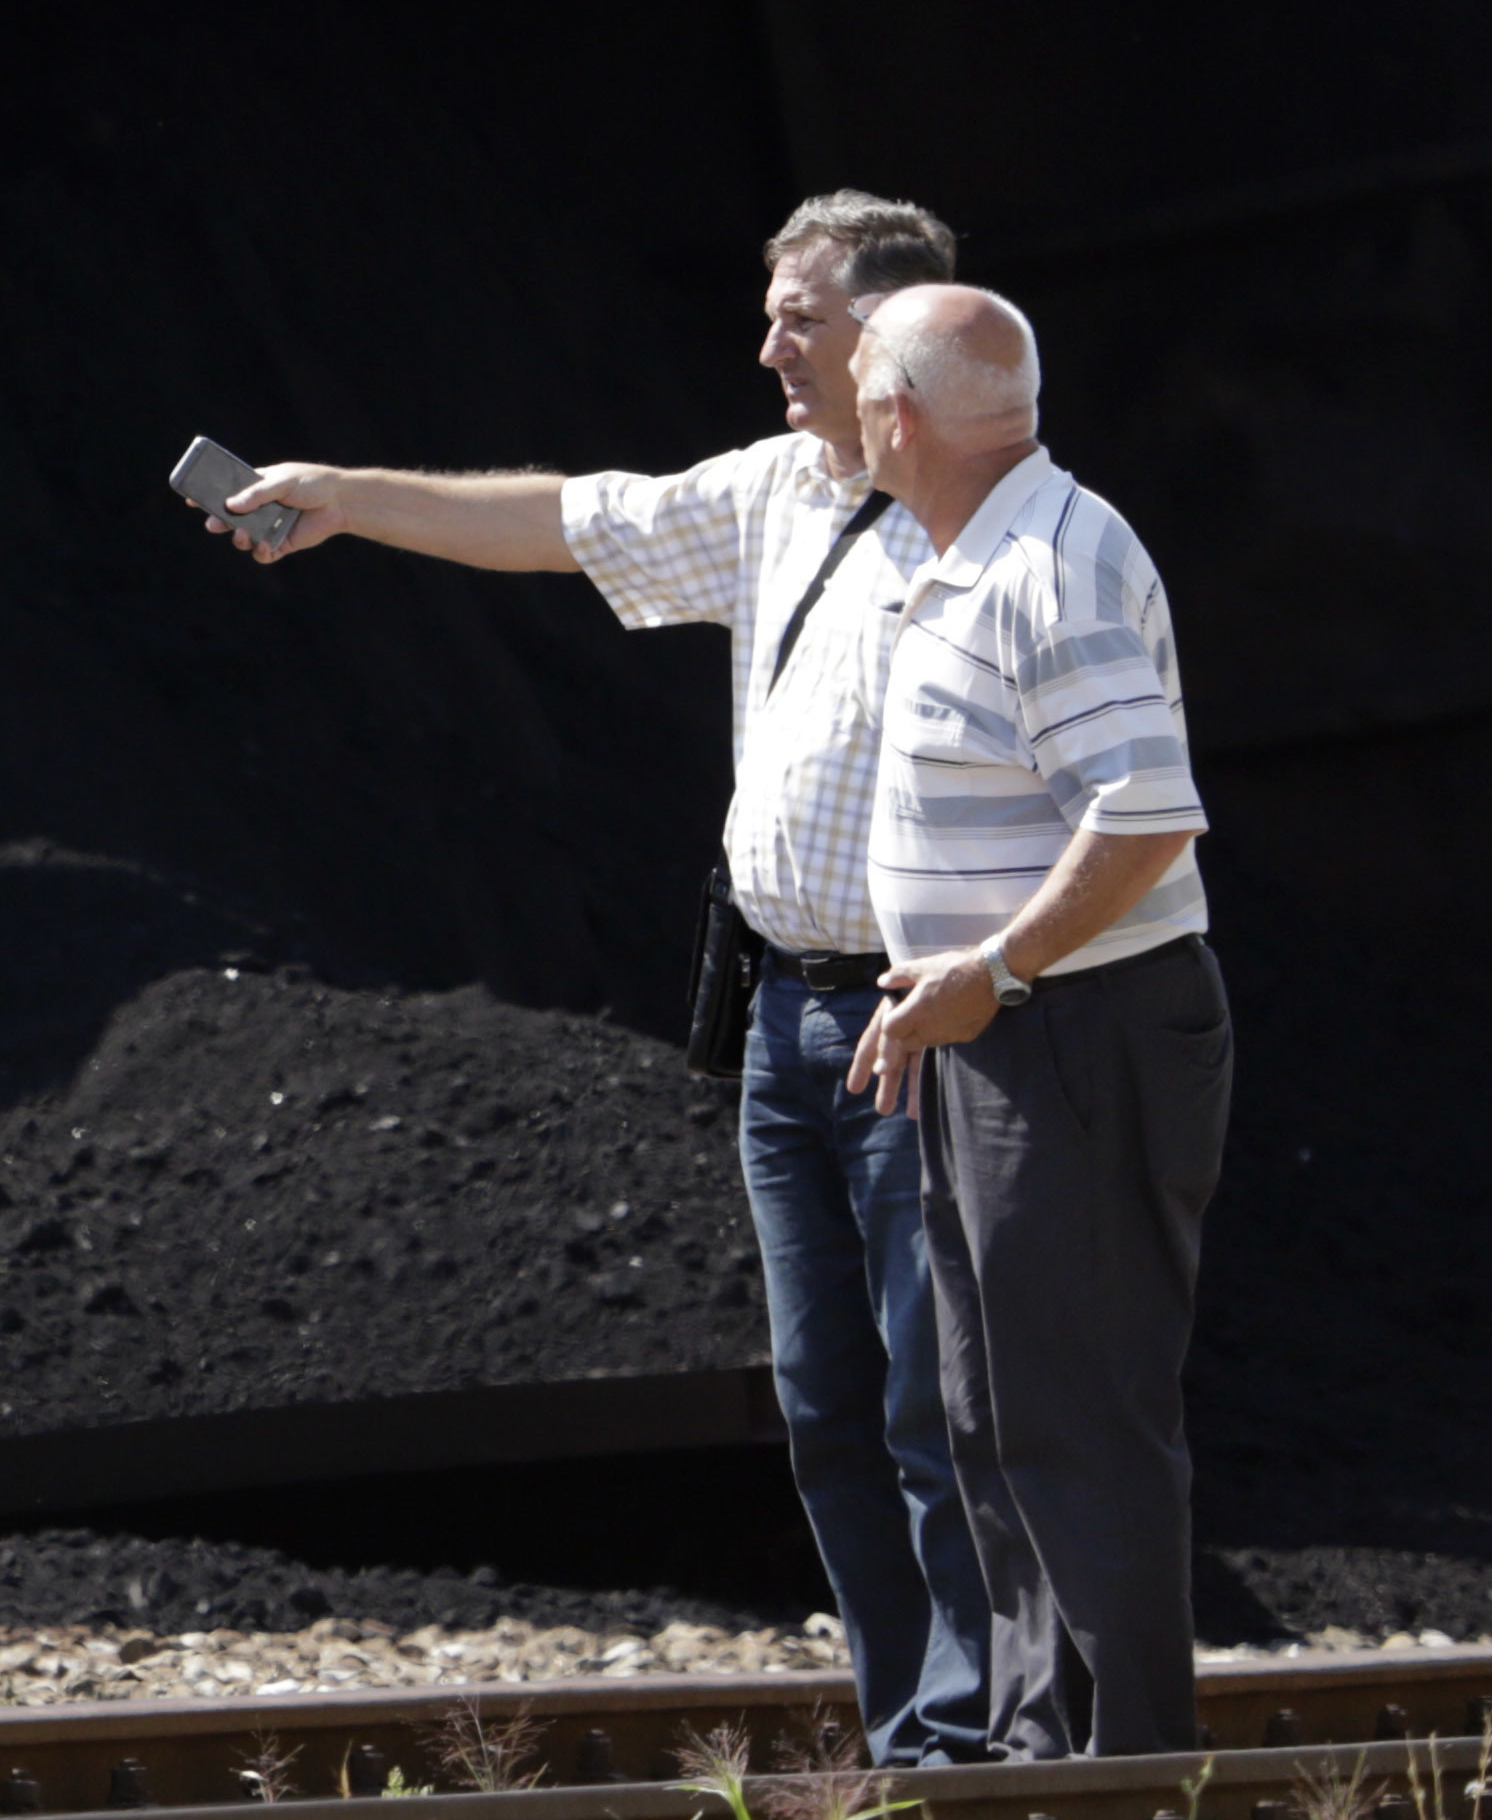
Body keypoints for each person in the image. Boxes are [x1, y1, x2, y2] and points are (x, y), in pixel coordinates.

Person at [198, 194, 989, 1767]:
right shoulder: (775, 491)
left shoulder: (995, 520)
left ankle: (983, 1739)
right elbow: (565, 520)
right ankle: (917, 1741)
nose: (766, 344)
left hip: (928, 1023)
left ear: (892, 336)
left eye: (800, 319)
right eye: (769, 312)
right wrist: (347, 498)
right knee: (829, 1403)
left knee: (936, 1410)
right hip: (785, 1027)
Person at [838, 284, 1225, 1762]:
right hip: (1003, 1032)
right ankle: (1035, 1751)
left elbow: (1145, 814)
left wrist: (991, 971)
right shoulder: (967, 552)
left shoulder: (1044, 568)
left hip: (1071, 1030)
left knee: (1074, 1418)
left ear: (904, 414)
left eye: (866, 386)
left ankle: (1123, 1772)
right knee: (994, 1415)